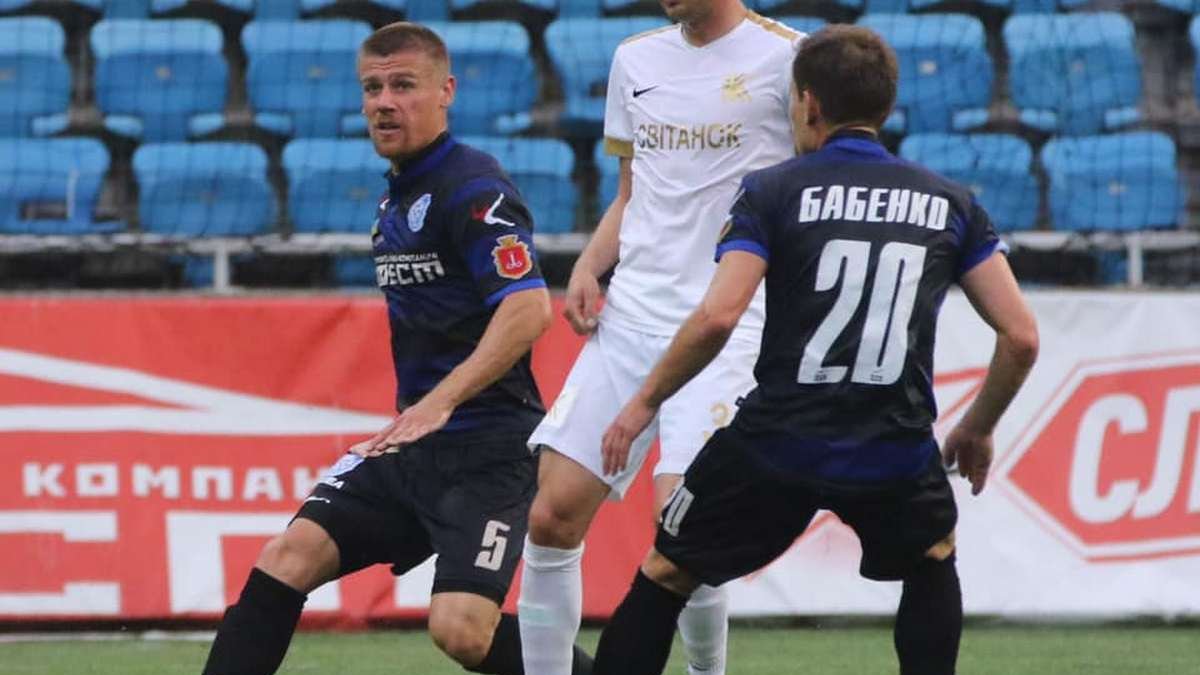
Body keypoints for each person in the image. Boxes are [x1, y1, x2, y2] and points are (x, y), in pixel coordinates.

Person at [588, 25, 1040, 675]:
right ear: (886, 106)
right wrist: (977, 426)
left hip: (777, 442)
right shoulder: (950, 202)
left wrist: (643, 403)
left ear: (807, 103)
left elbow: (718, 316)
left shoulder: (772, 191)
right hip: (892, 444)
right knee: (932, 558)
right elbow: (1021, 335)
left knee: (665, 574)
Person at [200, 22, 590, 675]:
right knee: (287, 558)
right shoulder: (396, 195)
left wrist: (441, 400)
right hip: (410, 447)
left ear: (446, 92)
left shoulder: (475, 188)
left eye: (403, 86)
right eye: (372, 88)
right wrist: (424, 413)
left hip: (489, 452)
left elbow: (528, 309)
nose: (384, 103)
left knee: (461, 631)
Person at [516, 3, 803, 675]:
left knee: (685, 523)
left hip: (727, 322)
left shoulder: (790, 57)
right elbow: (632, 191)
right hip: (632, 316)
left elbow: (813, 187)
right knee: (551, 515)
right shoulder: (635, 59)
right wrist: (591, 263)